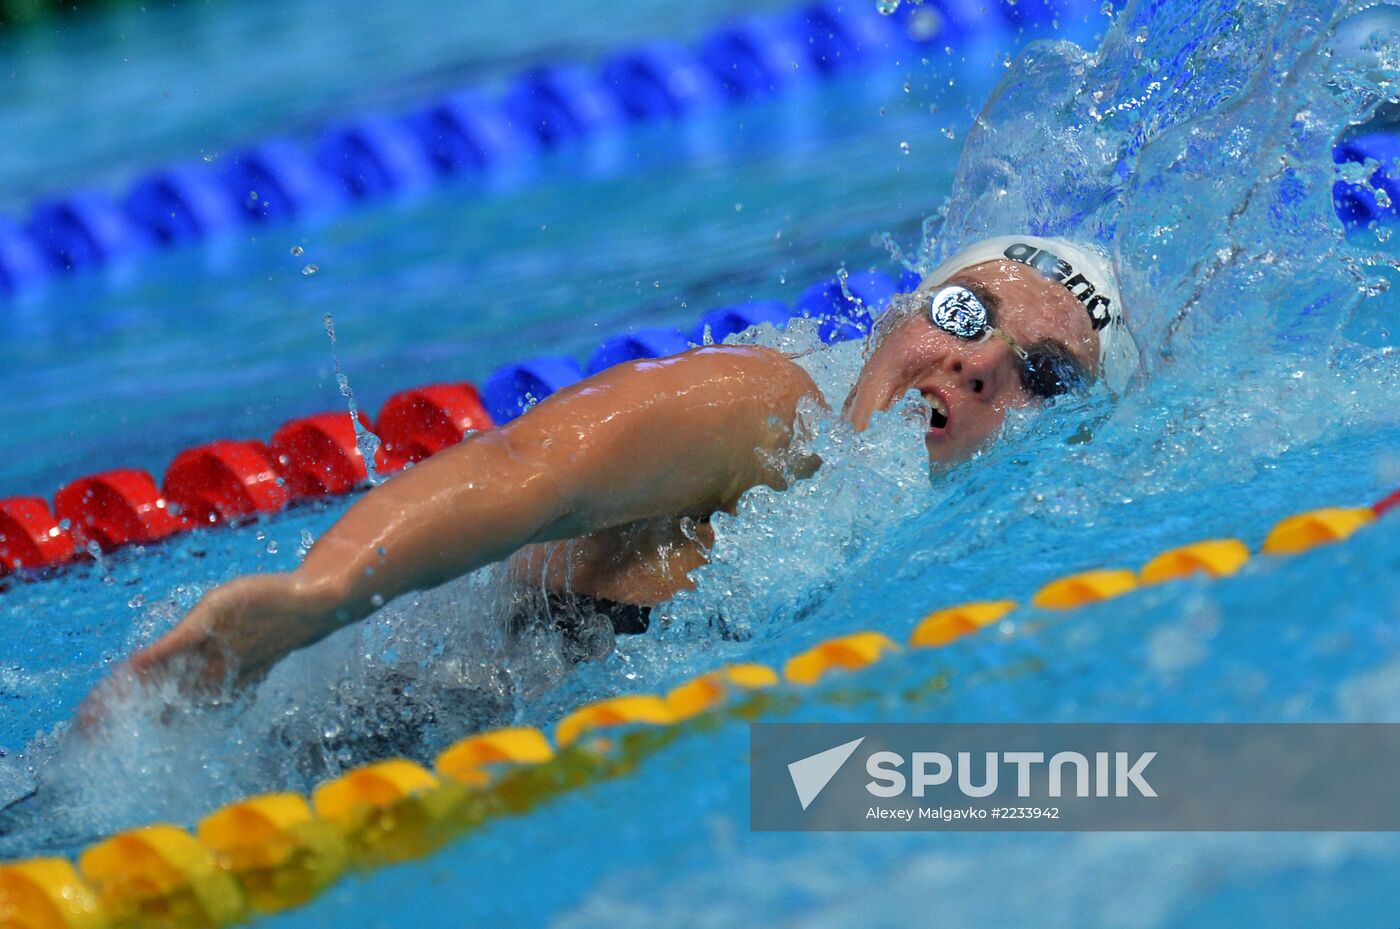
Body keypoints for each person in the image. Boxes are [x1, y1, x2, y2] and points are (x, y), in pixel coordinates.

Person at [104, 235, 1138, 704]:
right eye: (963, 311)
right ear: (896, 315)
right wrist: (321, 594)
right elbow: (532, 468)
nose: (975, 361)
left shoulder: (966, 548)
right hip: (358, 754)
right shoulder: (771, 413)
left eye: (1041, 374)